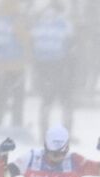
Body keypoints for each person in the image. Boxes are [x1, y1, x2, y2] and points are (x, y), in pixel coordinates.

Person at [31, 2, 74, 138]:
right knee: (66, 100)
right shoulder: (63, 24)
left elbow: (33, 43)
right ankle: (66, 133)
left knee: (46, 100)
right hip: (60, 66)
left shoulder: (38, 24)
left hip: (42, 66)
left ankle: (43, 133)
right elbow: (70, 43)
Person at [0, 0, 27, 132]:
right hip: (16, 65)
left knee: (0, 98)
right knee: (17, 98)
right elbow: (24, 40)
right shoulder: (16, 21)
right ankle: (16, 126)